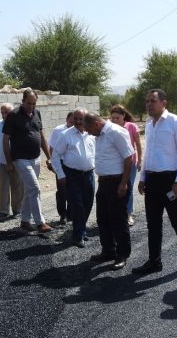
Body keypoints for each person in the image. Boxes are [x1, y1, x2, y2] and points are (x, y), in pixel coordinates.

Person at [133, 89, 177, 277]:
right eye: (147, 101)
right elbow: (148, 154)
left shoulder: (176, 122)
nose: (148, 104)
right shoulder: (149, 124)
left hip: (170, 181)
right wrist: (143, 178)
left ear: (164, 103)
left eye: (152, 101)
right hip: (152, 181)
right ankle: (154, 261)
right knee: (153, 224)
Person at [83, 112, 134, 271]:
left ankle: (122, 254)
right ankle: (108, 250)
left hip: (117, 182)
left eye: (89, 130)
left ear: (96, 124)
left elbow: (129, 158)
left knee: (118, 220)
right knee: (103, 219)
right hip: (104, 182)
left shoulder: (116, 132)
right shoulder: (99, 134)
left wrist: (123, 184)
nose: (89, 133)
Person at [2, 89, 53, 233]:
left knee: (30, 190)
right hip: (20, 159)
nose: (31, 106)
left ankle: (25, 221)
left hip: (35, 158)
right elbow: (5, 140)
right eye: (28, 103)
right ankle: (40, 222)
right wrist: (9, 162)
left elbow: (41, 136)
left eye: (34, 104)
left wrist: (49, 157)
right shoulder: (13, 115)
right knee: (35, 188)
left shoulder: (37, 113)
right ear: (22, 101)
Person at [51, 108, 95, 248]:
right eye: (75, 118)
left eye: (81, 119)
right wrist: (60, 174)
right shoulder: (65, 135)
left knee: (88, 203)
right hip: (72, 176)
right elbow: (55, 156)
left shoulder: (91, 134)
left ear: (86, 119)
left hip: (89, 175)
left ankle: (82, 230)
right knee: (77, 205)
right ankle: (78, 235)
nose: (78, 121)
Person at [109, 104, 142, 227]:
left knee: (128, 187)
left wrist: (139, 159)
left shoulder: (131, 126)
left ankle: (128, 214)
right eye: (113, 118)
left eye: (117, 118)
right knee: (116, 188)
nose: (115, 120)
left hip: (130, 162)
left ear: (123, 116)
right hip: (115, 163)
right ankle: (117, 214)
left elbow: (138, 144)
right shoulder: (110, 128)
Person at [0, 103, 24, 220]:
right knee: (3, 186)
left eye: (7, 112)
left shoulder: (19, 123)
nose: (4, 115)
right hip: (2, 161)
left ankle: (17, 210)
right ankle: (3, 211)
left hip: (16, 160)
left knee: (17, 185)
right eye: (2, 112)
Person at [49, 111, 75, 225]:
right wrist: (53, 163)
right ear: (66, 120)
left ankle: (70, 214)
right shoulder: (58, 130)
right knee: (61, 190)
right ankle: (62, 215)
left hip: (72, 164)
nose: (72, 124)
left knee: (72, 188)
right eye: (70, 121)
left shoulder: (78, 130)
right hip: (60, 162)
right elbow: (52, 148)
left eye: (74, 121)